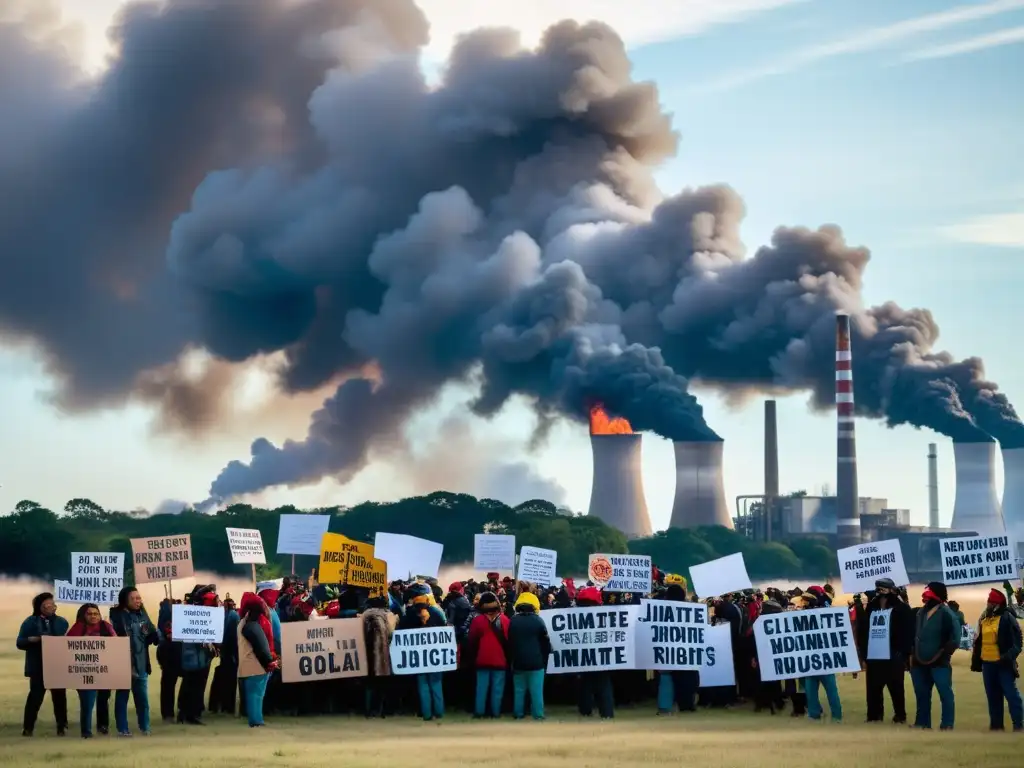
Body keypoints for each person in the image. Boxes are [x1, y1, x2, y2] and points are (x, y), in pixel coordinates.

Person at [857, 577, 912, 724]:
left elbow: (908, 632)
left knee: (896, 687)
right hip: (874, 654)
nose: (880, 592)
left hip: (894, 653)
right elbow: (864, 630)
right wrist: (864, 653)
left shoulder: (901, 608)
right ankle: (874, 716)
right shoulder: (871, 607)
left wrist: (903, 653)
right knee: (873, 688)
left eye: (883, 588)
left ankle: (900, 715)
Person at [109, 585, 160, 736]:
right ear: (125, 600)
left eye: (139, 598)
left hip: (141, 664)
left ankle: (145, 728)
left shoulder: (142, 615)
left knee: (142, 700)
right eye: (134, 598)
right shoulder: (116, 616)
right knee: (122, 698)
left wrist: (158, 633)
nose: (138, 601)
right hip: (123, 665)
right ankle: (123, 730)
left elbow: (152, 637)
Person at [17, 592, 69, 737]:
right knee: (35, 697)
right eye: (47, 604)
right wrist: (31, 640)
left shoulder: (62, 622)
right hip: (37, 666)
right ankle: (28, 728)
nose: (51, 606)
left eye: (52, 603)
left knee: (59, 697)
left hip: (57, 665)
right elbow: (19, 642)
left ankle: (62, 726)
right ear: (39, 606)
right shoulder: (30, 622)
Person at [970, 588, 1023, 731]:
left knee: (1011, 695)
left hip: (1003, 664)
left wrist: (1008, 657)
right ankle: (996, 726)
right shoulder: (984, 618)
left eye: (991, 602)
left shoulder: (1007, 617)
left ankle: (1018, 725)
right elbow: (978, 639)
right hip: (987, 664)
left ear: (997, 604)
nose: (988, 604)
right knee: (993, 696)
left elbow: (1018, 642)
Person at [910, 581, 960, 730]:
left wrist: (943, 654)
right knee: (922, 694)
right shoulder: (920, 613)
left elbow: (955, 640)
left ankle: (947, 724)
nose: (925, 599)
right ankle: (922, 723)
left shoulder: (947, 614)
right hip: (918, 661)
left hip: (940, 662)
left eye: (928, 595)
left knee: (945, 694)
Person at [66, 603, 115, 738]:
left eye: (96, 613)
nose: (93, 616)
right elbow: (67, 646)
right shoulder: (78, 628)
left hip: (104, 669)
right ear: (83, 615)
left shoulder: (106, 626)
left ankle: (102, 727)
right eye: (89, 614)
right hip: (84, 670)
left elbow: (116, 644)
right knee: (87, 702)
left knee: (103, 699)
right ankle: (86, 732)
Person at [397, 602, 446, 721]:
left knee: (423, 685)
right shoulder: (437, 616)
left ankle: (427, 713)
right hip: (435, 657)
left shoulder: (409, 619)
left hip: (418, 658)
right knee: (436, 684)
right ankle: (439, 712)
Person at [656, 582, 699, 714]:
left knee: (666, 677)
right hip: (687, 650)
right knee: (687, 677)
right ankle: (687, 704)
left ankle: (665, 706)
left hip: (667, 650)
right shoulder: (691, 609)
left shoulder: (660, 610)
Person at [237, 592, 279, 728]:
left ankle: (254, 720)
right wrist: (269, 662)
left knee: (251, 696)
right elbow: (262, 647)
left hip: (245, 665)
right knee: (257, 696)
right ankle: (257, 721)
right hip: (256, 666)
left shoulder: (242, 623)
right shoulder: (253, 626)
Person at [799, 590, 842, 723]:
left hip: (822, 659)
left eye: (804, 601)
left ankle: (834, 715)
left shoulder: (819, 616)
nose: (802, 604)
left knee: (828, 690)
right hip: (813, 659)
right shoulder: (807, 616)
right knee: (812, 691)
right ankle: (818, 714)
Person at [507, 592, 550, 720]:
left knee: (519, 691)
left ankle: (518, 713)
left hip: (518, 662)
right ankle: (538, 715)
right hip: (536, 662)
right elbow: (545, 643)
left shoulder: (513, 621)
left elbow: (510, 642)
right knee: (536, 691)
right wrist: (544, 658)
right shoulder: (538, 620)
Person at [468, 591, 510, 719]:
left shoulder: (478, 620)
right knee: (497, 689)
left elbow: (471, 640)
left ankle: (479, 712)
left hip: (482, 659)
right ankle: (495, 713)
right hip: (500, 659)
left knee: (481, 688)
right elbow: (509, 639)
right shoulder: (504, 620)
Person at [575, 586, 614, 719]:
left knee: (585, 683)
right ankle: (607, 712)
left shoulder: (575, 615)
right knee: (603, 684)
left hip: (583, 656)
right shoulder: (605, 615)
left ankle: (585, 710)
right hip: (602, 656)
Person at [362, 594, 395, 718]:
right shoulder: (385, 615)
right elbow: (390, 633)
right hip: (381, 654)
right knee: (381, 684)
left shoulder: (364, 615)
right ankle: (380, 711)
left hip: (366, 652)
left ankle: (368, 711)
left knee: (369, 684)